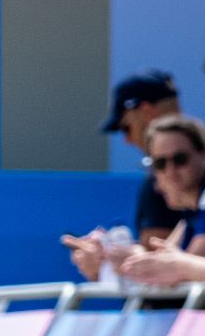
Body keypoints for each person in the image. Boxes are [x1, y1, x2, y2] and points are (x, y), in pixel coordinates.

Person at [66, 72, 191, 281]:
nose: (127, 140)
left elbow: (164, 266)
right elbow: (168, 258)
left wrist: (104, 263)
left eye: (126, 128)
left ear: (146, 112)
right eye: (160, 165)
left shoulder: (170, 180)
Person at [117, 115, 205, 288]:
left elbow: (188, 262)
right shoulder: (191, 213)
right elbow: (164, 266)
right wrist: (116, 259)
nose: (170, 171)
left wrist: (179, 266)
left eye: (180, 159)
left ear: (202, 155)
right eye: (160, 163)